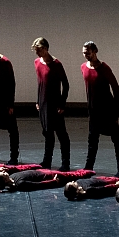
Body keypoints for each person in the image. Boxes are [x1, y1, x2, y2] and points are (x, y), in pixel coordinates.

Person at [81, 41, 119, 177]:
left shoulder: (104, 68)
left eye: (88, 53)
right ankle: (88, 167)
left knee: (117, 141)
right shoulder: (83, 67)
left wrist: (115, 113)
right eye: (84, 53)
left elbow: (116, 89)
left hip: (107, 110)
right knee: (92, 141)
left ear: (95, 51)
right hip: (93, 111)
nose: (86, 55)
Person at [32, 37, 71, 170]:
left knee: (61, 134)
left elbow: (66, 85)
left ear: (45, 49)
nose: (37, 53)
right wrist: (38, 100)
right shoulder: (37, 62)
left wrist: (62, 104)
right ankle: (47, 161)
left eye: (38, 50)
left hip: (55, 105)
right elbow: (40, 83)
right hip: (43, 104)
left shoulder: (56, 64)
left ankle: (65, 163)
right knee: (47, 134)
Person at [0, 167, 94, 192]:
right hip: (47, 176)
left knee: (69, 174)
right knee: (70, 175)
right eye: (3, 174)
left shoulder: (12, 176)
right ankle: (88, 172)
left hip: (42, 172)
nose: (4, 172)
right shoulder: (20, 184)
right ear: (5, 180)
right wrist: (53, 181)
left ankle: (86, 172)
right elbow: (39, 185)